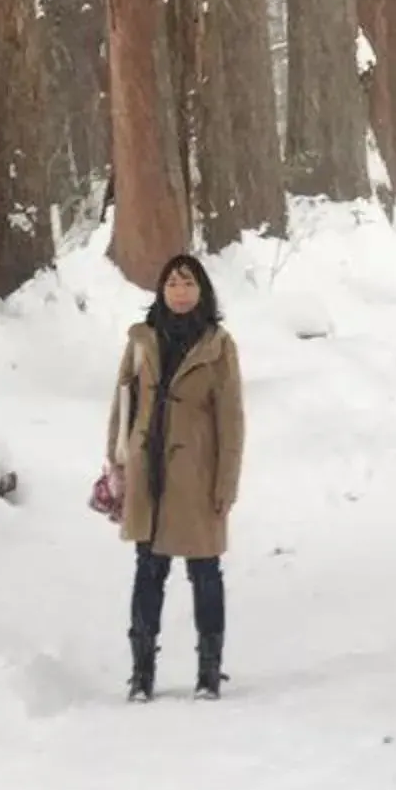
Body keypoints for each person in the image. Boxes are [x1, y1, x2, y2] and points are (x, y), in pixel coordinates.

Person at [107, 252, 244, 702]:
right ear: (161, 291)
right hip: (149, 474)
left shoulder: (218, 346)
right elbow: (121, 405)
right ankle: (141, 672)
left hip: (197, 478)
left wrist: (225, 482)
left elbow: (231, 421)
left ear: (201, 290)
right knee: (148, 571)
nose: (180, 292)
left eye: (188, 283)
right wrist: (116, 462)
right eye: (172, 284)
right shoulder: (142, 340)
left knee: (205, 573)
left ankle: (209, 670)